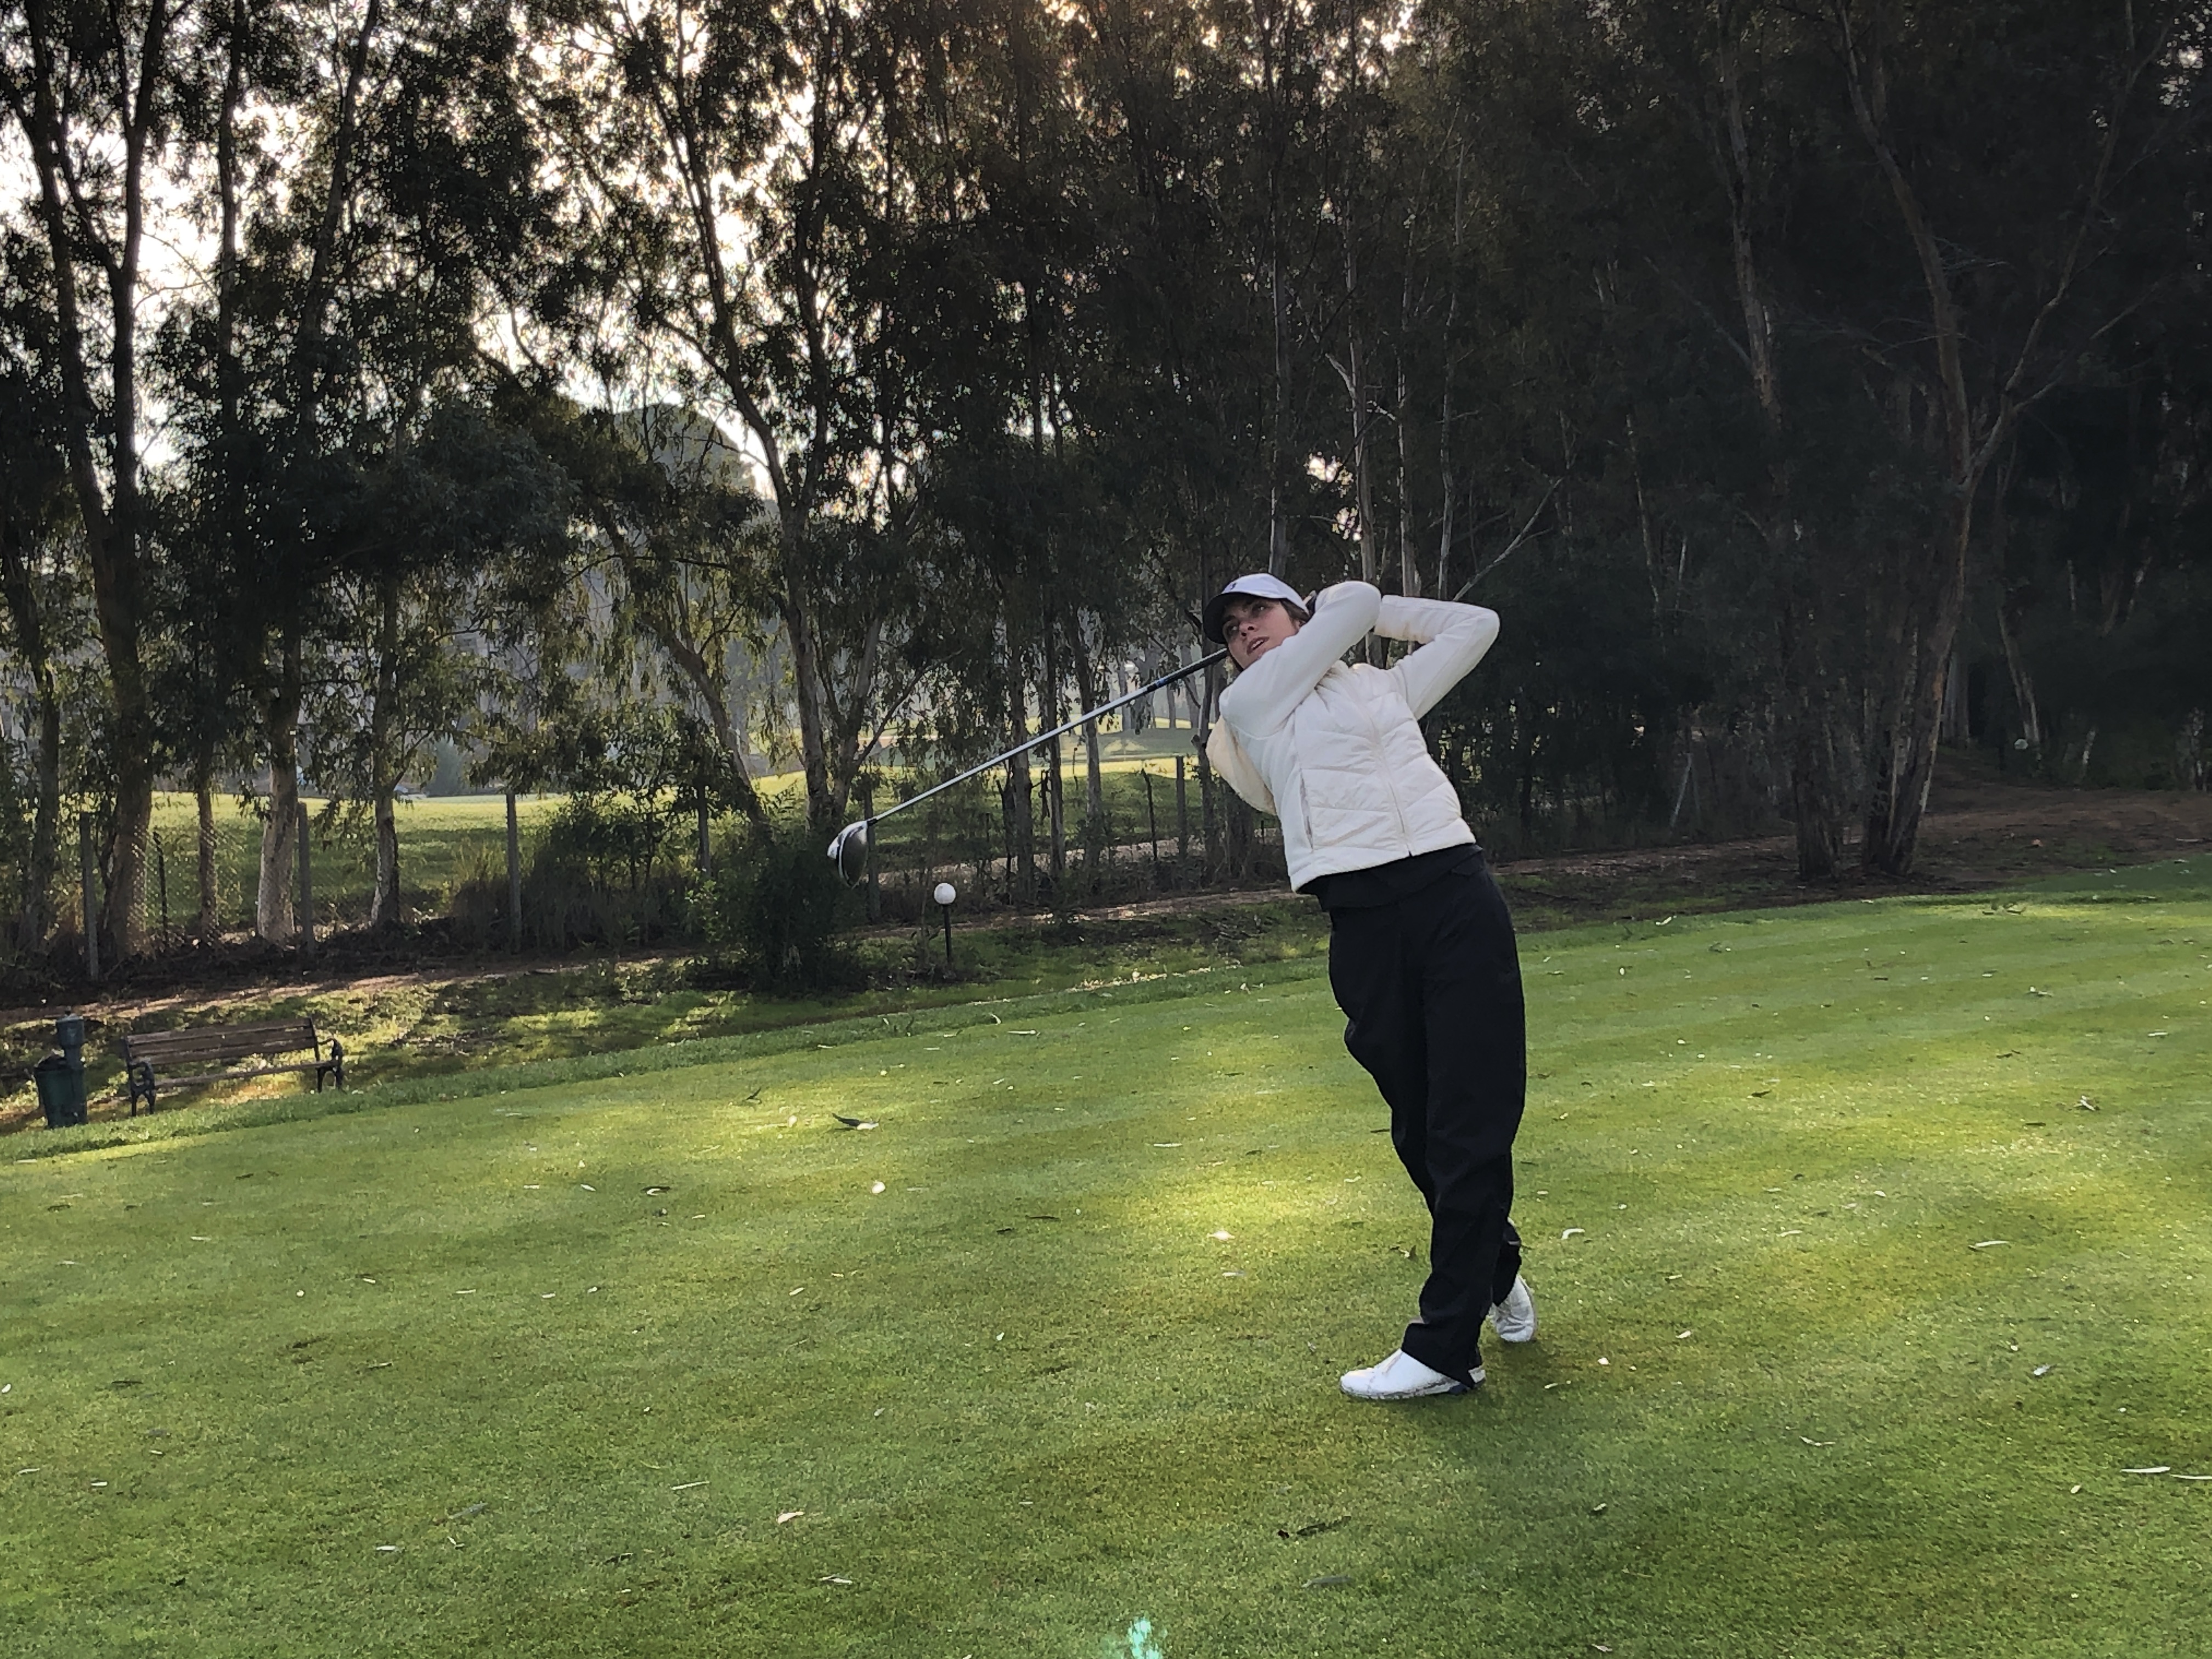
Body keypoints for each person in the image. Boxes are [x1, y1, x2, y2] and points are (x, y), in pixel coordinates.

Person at [1200, 573, 1535, 1401]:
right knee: (1419, 1125)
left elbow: (1477, 624)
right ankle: (1492, 1264)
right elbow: (1351, 606)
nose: (1244, 633)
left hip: (1456, 894)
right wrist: (1344, 607)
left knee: (1471, 1119)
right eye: (1231, 629)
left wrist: (1367, 610)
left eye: (1259, 614)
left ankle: (1445, 1348)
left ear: (1298, 615)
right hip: (1364, 920)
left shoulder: (1384, 689)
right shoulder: (1251, 705)